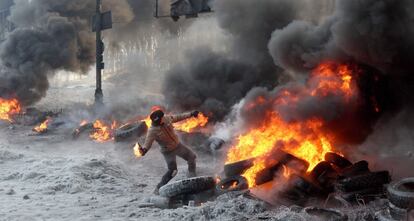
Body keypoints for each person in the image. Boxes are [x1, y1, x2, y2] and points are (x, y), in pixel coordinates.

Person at [137, 109, 199, 195]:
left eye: (159, 120)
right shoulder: (152, 131)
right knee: (173, 171)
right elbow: (148, 142)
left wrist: (191, 114)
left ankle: (192, 178)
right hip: (168, 151)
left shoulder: (166, 119)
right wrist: (144, 150)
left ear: (162, 118)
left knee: (192, 157)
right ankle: (158, 189)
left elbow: (178, 117)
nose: (158, 122)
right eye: (156, 121)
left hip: (177, 145)